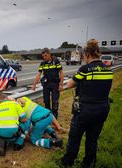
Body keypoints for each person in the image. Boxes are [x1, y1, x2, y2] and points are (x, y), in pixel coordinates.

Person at [61, 39, 113, 167]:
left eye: (84, 56)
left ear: (87, 55)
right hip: (102, 109)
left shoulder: (85, 69)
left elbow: (69, 84)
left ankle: (68, 162)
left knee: (74, 138)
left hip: (85, 111)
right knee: (92, 139)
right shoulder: (107, 70)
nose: (84, 58)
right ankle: (89, 163)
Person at [32, 48, 64, 118]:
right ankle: (48, 117)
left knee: (54, 101)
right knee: (46, 101)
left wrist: (61, 84)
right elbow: (38, 74)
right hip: (46, 84)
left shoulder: (56, 61)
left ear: (49, 54)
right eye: (43, 56)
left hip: (55, 84)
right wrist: (34, 85)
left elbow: (61, 72)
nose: (44, 57)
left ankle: (54, 117)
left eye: (45, 55)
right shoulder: (42, 63)